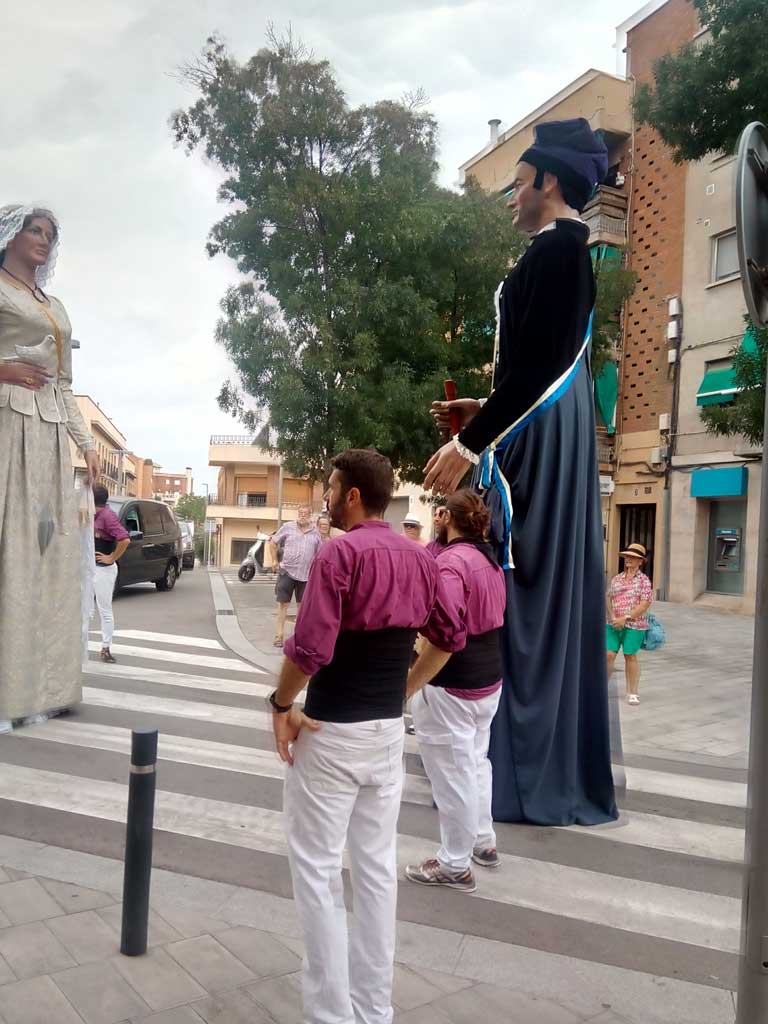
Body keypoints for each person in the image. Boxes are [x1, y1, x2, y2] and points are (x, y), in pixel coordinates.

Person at [424, 119, 617, 826]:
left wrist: (472, 441)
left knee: (517, 584)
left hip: (538, 439)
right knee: (518, 584)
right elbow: (538, 363)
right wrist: (486, 407)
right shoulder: (558, 251)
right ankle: (510, 760)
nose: (511, 194)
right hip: (543, 428)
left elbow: (542, 365)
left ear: (549, 181)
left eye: (519, 181)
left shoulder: (559, 253)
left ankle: (516, 767)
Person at [269, 448, 462, 1024]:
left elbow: (309, 649)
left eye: (330, 487)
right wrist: (403, 690)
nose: (325, 497)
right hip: (385, 734)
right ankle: (374, 1011)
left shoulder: (339, 553)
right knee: (376, 871)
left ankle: (331, 1014)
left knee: (318, 871)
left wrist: (280, 704)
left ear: (352, 495)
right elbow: (450, 635)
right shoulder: (423, 558)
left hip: (332, 731)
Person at [0, 205, 100, 733]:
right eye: (32, 229)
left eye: (49, 233)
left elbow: (62, 385)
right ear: (9, 234)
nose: (41, 238)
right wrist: (5, 368)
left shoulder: (55, 306)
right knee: (9, 553)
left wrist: (89, 447)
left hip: (45, 436)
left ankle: (38, 687)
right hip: (4, 427)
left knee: (44, 558)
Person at [404, 489, 506, 892]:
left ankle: (454, 864)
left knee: (452, 777)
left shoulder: (451, 565)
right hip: (489, 679)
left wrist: (408, 687)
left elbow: (445, 633)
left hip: (453, 683)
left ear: (446, 516)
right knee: (476, 763)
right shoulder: (487, 559)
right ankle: (483, 841)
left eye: (438, 513)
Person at [606, 543, 653, 706]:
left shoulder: (644, 581)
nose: (628, 559)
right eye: (626, 556)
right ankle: (601, 688)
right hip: (613, 624)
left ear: (640, 561)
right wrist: (612, 616)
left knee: (630, 656)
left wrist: (625, 618)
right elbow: (608, 597)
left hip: (634, 626)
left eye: (632, 557)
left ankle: (632, 692)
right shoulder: (616, 579)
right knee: (608, 655)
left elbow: (645, 604)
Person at [269, 505, 322, 648]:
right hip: (287, 572)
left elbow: (320, 554)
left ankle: (298, 637)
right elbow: (273, 542)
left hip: (306, 575)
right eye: (300, 513)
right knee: (282, 605)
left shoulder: (316, 533)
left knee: (302, 608)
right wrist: (274, 560)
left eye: (305, 513)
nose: (302, 515)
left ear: (310, 515)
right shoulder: (288, 527)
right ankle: (279, 636)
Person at [92, 485, 130, 663]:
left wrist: (111, 557)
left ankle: (105, 648)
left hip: (103, 569)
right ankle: (80, 645)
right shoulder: (87, 514)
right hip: (87, 568)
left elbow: (125, 539)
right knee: (84, 609)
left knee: (104, 609)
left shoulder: (107, 516)